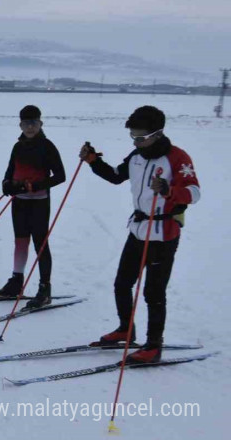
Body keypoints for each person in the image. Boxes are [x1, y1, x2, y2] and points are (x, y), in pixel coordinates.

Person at [80, 105, 200, 364]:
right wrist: (93, 161)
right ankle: (126, 329)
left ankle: (154, 346)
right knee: (122, 284)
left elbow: (194, 193)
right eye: (133, 136)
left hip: (163, 234)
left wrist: (169, 190)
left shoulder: (177, 158)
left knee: (153, 293)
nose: (136, 141)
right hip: (138, 230)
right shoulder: (136, 156)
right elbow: (115, 176)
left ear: (158, 133)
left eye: (141, 137)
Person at [0, 105, 66, 309]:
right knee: (20, 241)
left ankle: (45, 288)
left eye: (34, 123)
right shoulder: (18, 147)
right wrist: (6, 184)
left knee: (40, 244)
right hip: (20, 201)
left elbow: (60, 176)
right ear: (20, 125)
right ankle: (16, 281)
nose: (30, 127)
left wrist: (36, 186)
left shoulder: (47, 146)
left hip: (39, 202)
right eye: (25, 124)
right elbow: (10, 171)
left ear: (40, 124)